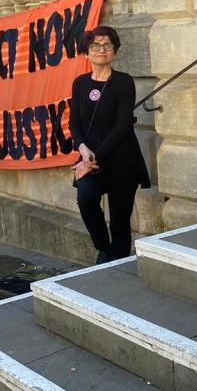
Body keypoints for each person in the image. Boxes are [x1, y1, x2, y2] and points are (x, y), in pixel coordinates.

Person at [69, 26, 150, 264]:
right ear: (86, 52)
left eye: (107, 45)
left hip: (122, 160)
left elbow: (122, 127)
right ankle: (104, 248)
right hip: (89, 159)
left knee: (119, 219)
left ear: (114, 51)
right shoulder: (80, 83)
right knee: (85, 198)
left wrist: (94, 159)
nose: (101, 50)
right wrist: (83, 149)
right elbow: (74, 122)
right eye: (95, 45)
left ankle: (121, 262)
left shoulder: (123, 82)